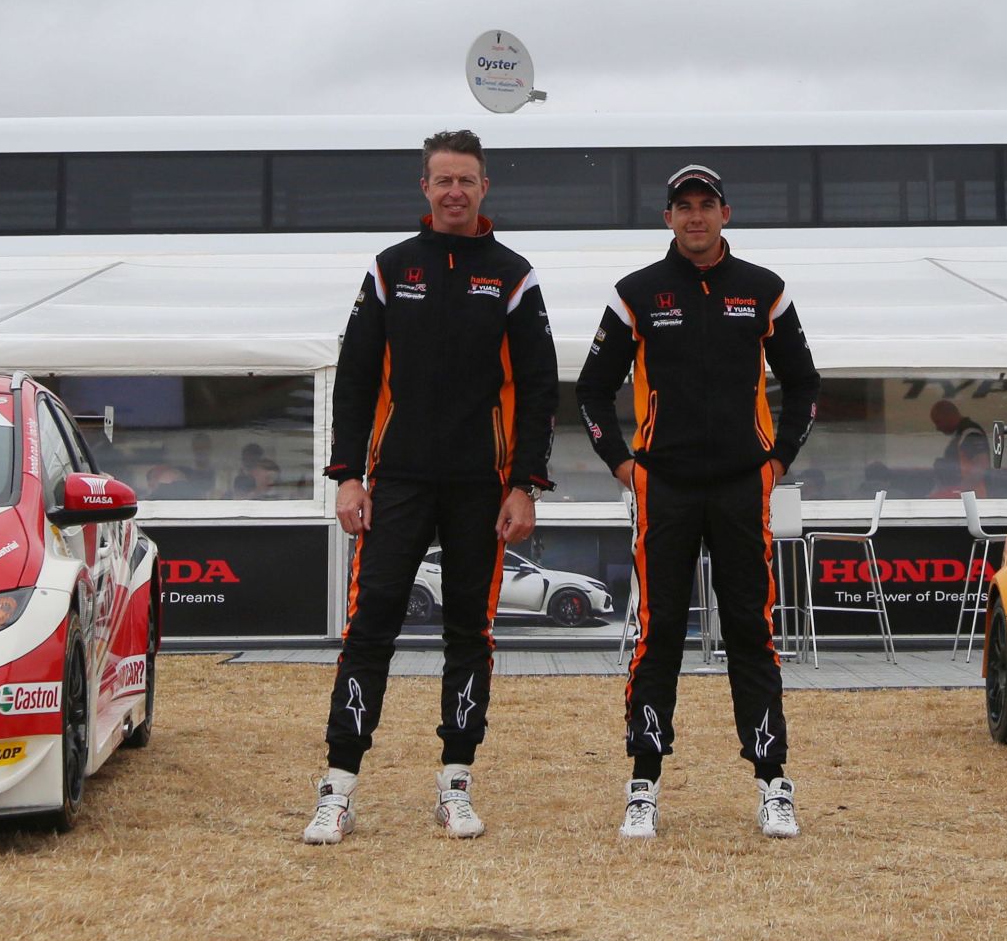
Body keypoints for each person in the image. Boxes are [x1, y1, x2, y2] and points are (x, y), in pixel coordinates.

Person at [302, 129, 557, 844]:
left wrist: (525, 484)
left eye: (466, 180)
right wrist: (348, 475)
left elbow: (540, 388)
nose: (454, 192)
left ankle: (456, 782)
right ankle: (338, 787)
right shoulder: (391, 269)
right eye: (443, 180)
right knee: (370, 625)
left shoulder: (512, 274)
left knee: (469, 632)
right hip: (399, 482)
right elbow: (355, 378)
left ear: (484, 188)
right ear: (425, 187)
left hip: (482, 487)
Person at [578, 163, 819, 840]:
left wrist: (777, 462)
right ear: (668, 218)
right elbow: (591, 389)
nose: (695, 216)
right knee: (657, 633)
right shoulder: (636, 293)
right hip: (666, 488)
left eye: (705, 204)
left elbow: (804, 384)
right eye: (682, 206)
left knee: (750, 630)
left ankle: (773, 781)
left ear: (725, 213)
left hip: (743, 486)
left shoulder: (763, 290)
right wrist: (623, 465)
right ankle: (643, 784)